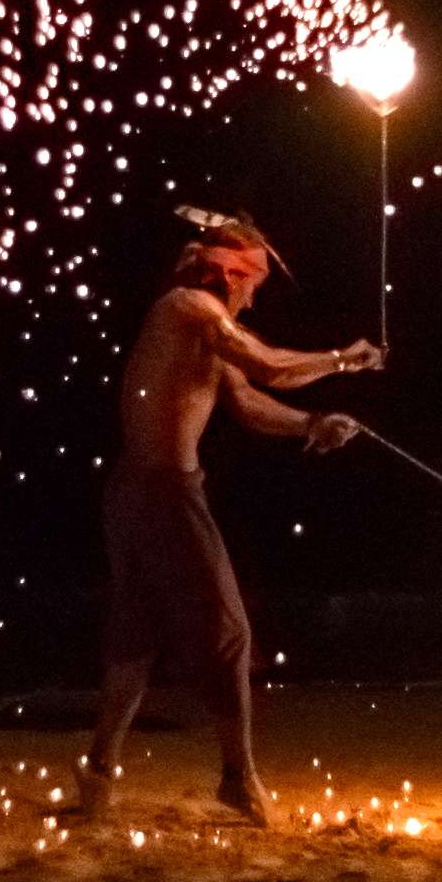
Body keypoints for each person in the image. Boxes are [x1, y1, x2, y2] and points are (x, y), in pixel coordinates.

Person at [76, 207, 376, 826]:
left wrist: (312, 424)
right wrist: (346, 359)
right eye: (253, 287)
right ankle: (237, 778)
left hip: (138, 492)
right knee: (231, 631)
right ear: (229, 276)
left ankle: (97, 775)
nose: (253, 302)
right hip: (161, 495)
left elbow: (246, 398)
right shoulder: (192, 309)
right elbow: (267, 363)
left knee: (139, 630)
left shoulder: (198, 323)